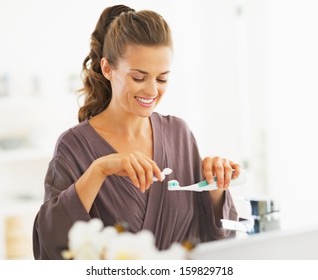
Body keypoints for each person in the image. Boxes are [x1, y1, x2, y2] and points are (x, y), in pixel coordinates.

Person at [32, 4, 240, 260]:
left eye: (162, 79)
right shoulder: (74, 146)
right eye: (139, 78)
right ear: (108, 69)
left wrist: (215, 187)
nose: (152, 91)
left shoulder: (179, 134)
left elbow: (215, 240)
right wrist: (99, 170)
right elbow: (51, 245)